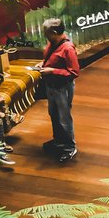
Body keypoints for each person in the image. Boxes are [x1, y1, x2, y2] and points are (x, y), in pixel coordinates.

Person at [39, 18, 80, 162]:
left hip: (62, 88)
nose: (44, 35)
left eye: (47, 32)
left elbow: (74, 72)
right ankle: (58, 141)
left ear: (55, 32)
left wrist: (53, 71)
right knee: (54, 114)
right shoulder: (53, 43)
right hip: (51, 87)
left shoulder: (68, 48)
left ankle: (69, 147)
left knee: (64, 117)